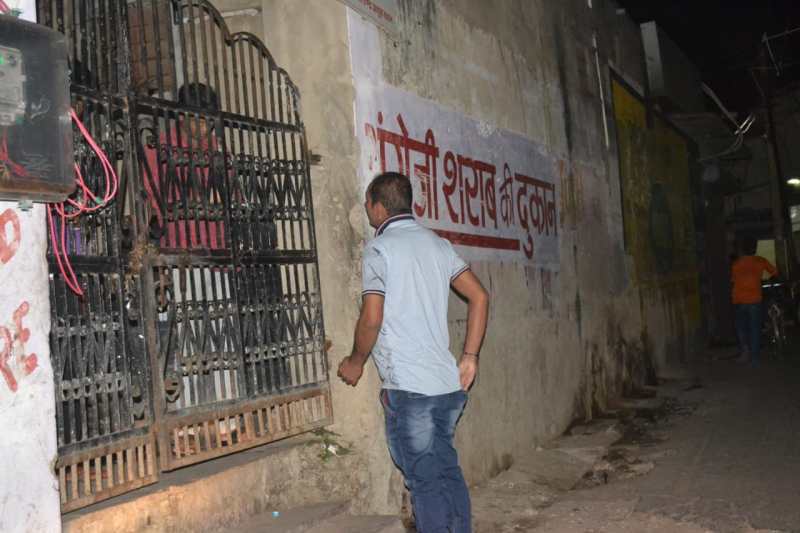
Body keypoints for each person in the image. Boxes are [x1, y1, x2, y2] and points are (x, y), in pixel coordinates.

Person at [338, 172, 490, 533]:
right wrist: (470, 356)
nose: (367, 211)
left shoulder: (379, 249)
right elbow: (480, 296)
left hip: (411, 389)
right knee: (447, 471)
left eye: (367, 205)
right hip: (447, 385)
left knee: (424, 482)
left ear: (377, 206)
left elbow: (371, 318)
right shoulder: (438, 244)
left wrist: (355, 361)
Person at [731, 238, 778, 366]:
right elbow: (775, 272)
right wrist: (767, 281)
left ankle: (745, 352)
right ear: (755, 249)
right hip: (755, 300)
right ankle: (755, 359)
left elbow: (732, 280)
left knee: (741, 328)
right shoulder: (760, 261)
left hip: (739, 300)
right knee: (755, 329)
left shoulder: (736, 264)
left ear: (741, 249)